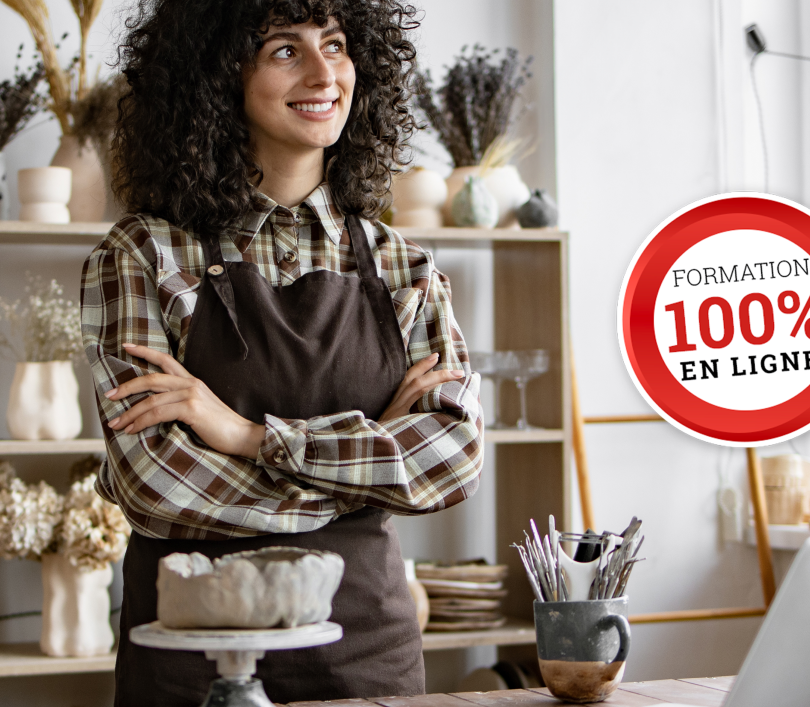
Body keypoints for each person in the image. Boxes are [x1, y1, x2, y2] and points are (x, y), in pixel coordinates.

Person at [81, 0, 483, 704]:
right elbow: (156, 487)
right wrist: (363, 469)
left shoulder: (403, 267)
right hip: (193, 660)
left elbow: (452, 457)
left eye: (334, 43)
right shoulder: (144, 253)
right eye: (285, 51)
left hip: (364, 655)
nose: (324, 72)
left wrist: (247, 436)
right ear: (217, 74)